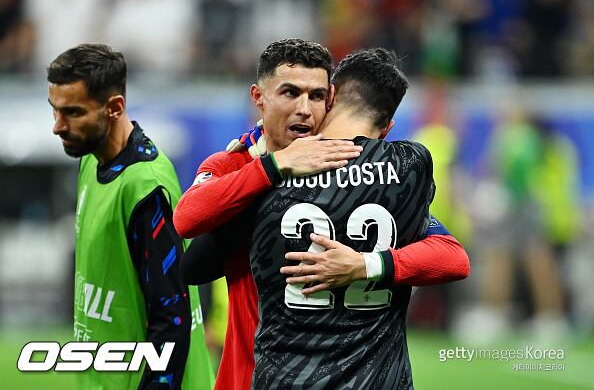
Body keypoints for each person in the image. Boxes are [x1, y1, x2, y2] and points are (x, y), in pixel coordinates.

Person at [174, 39, 469, 390]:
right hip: (250, 372)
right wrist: (273, 166)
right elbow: (188, 225)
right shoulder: (238, 164)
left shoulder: (360, 176)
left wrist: (365, 264)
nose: (304, 109)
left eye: (316, 96)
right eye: (290, 93)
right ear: (259, 97)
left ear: (330, 101)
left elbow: (450, 255)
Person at [248, 47, 448, 389]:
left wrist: (262, 161)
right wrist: (369, 264)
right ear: (388, 127)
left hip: (286, 377)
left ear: (330, 97)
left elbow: (194, 257)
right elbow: (452, 256)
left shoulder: (272, 169)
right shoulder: (411, 165)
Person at [47, 44, 214, 390]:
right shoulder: (91, 159)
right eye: (55, 110)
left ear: (115, 107)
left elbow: (171, 318)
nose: (58, 126)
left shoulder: (145, 187)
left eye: (73, 112)